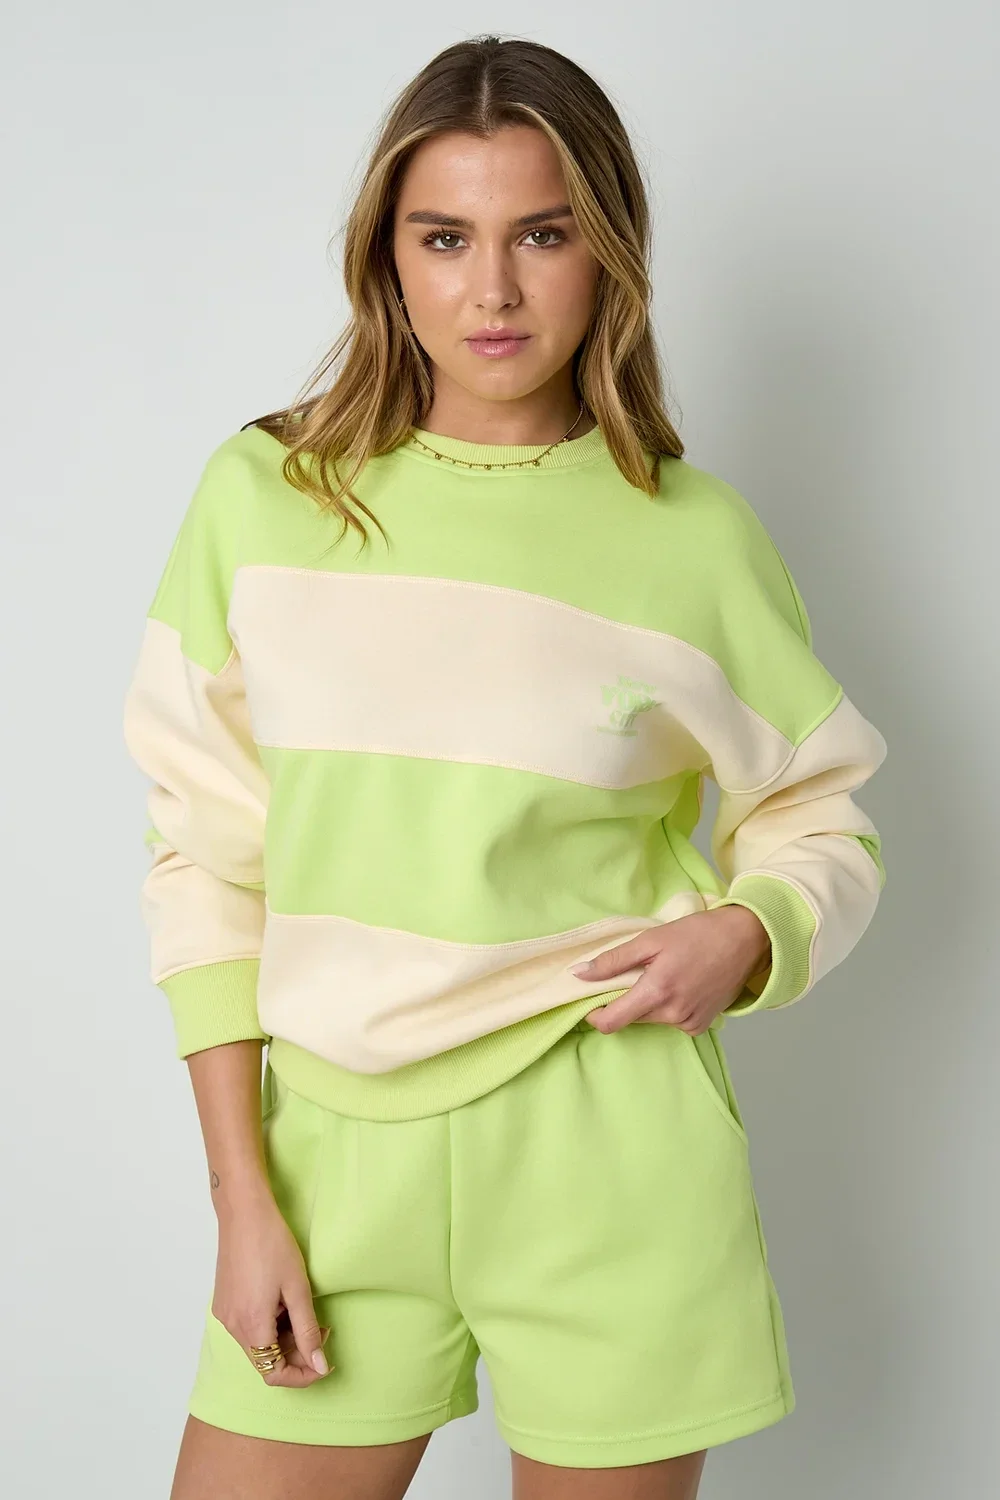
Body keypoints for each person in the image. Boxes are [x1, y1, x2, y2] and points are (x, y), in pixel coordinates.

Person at [123, 33, 887, 1500]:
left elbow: (822, 816)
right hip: (332, 1156)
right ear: (386, 258)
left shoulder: (690, 538)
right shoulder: (263, 500)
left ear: (608, 254)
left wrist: (749, 930)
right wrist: (242, 1201)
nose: (492, 290)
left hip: (610, 1142)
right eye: (444, 237)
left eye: (542, 234)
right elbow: (205, 860)